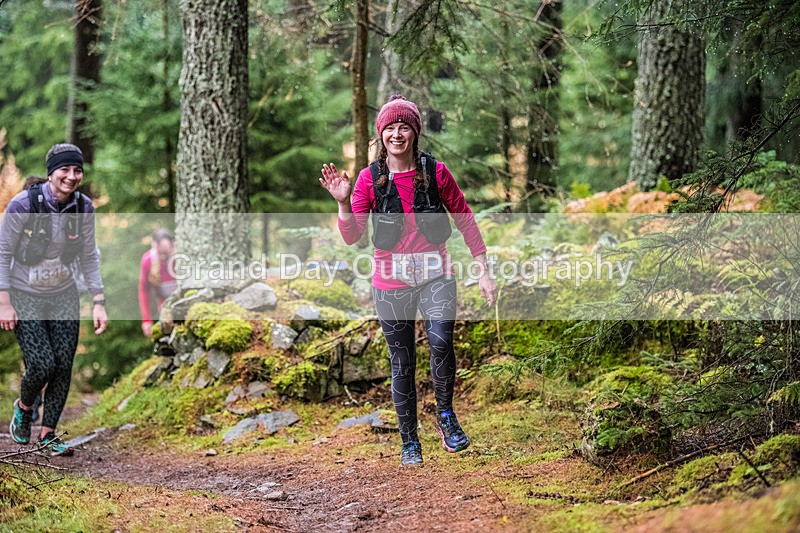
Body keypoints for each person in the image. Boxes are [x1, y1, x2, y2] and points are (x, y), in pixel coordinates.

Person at [320, 95, 498, 466]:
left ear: (415, 133)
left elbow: (464, 217)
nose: (397, 134)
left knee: (440, 340)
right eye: (390, 128)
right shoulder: (369, 179)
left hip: (436, 274)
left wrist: (484, 270)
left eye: (404, 127)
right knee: (402, 361)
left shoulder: (436, 172)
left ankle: (447, 418)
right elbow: (353, 237)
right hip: (390, 281)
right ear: (380, 134)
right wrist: (341, 202)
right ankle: (409, 441)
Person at [1, 143, 107, 456]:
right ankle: (24, 407)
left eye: (77, 170)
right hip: (24, 293)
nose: (72, 176)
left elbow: (89, 254)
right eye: (65, 169)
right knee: (42, 363)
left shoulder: (83, 207)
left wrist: (98, 299)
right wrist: (3, 301)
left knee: (63, 365)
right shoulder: (23, 204)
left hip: (64, 293)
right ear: (51, 172)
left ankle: (48, 435)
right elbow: (3, 252)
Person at [138, 227, 177, 337]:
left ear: (173, 245)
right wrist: (146, 320)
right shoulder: (148, 260)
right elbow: (144, 290)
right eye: (160, 253)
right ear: (154, 246)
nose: (163, 257)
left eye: (166, 253)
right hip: (165, 310)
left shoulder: (182, 258)